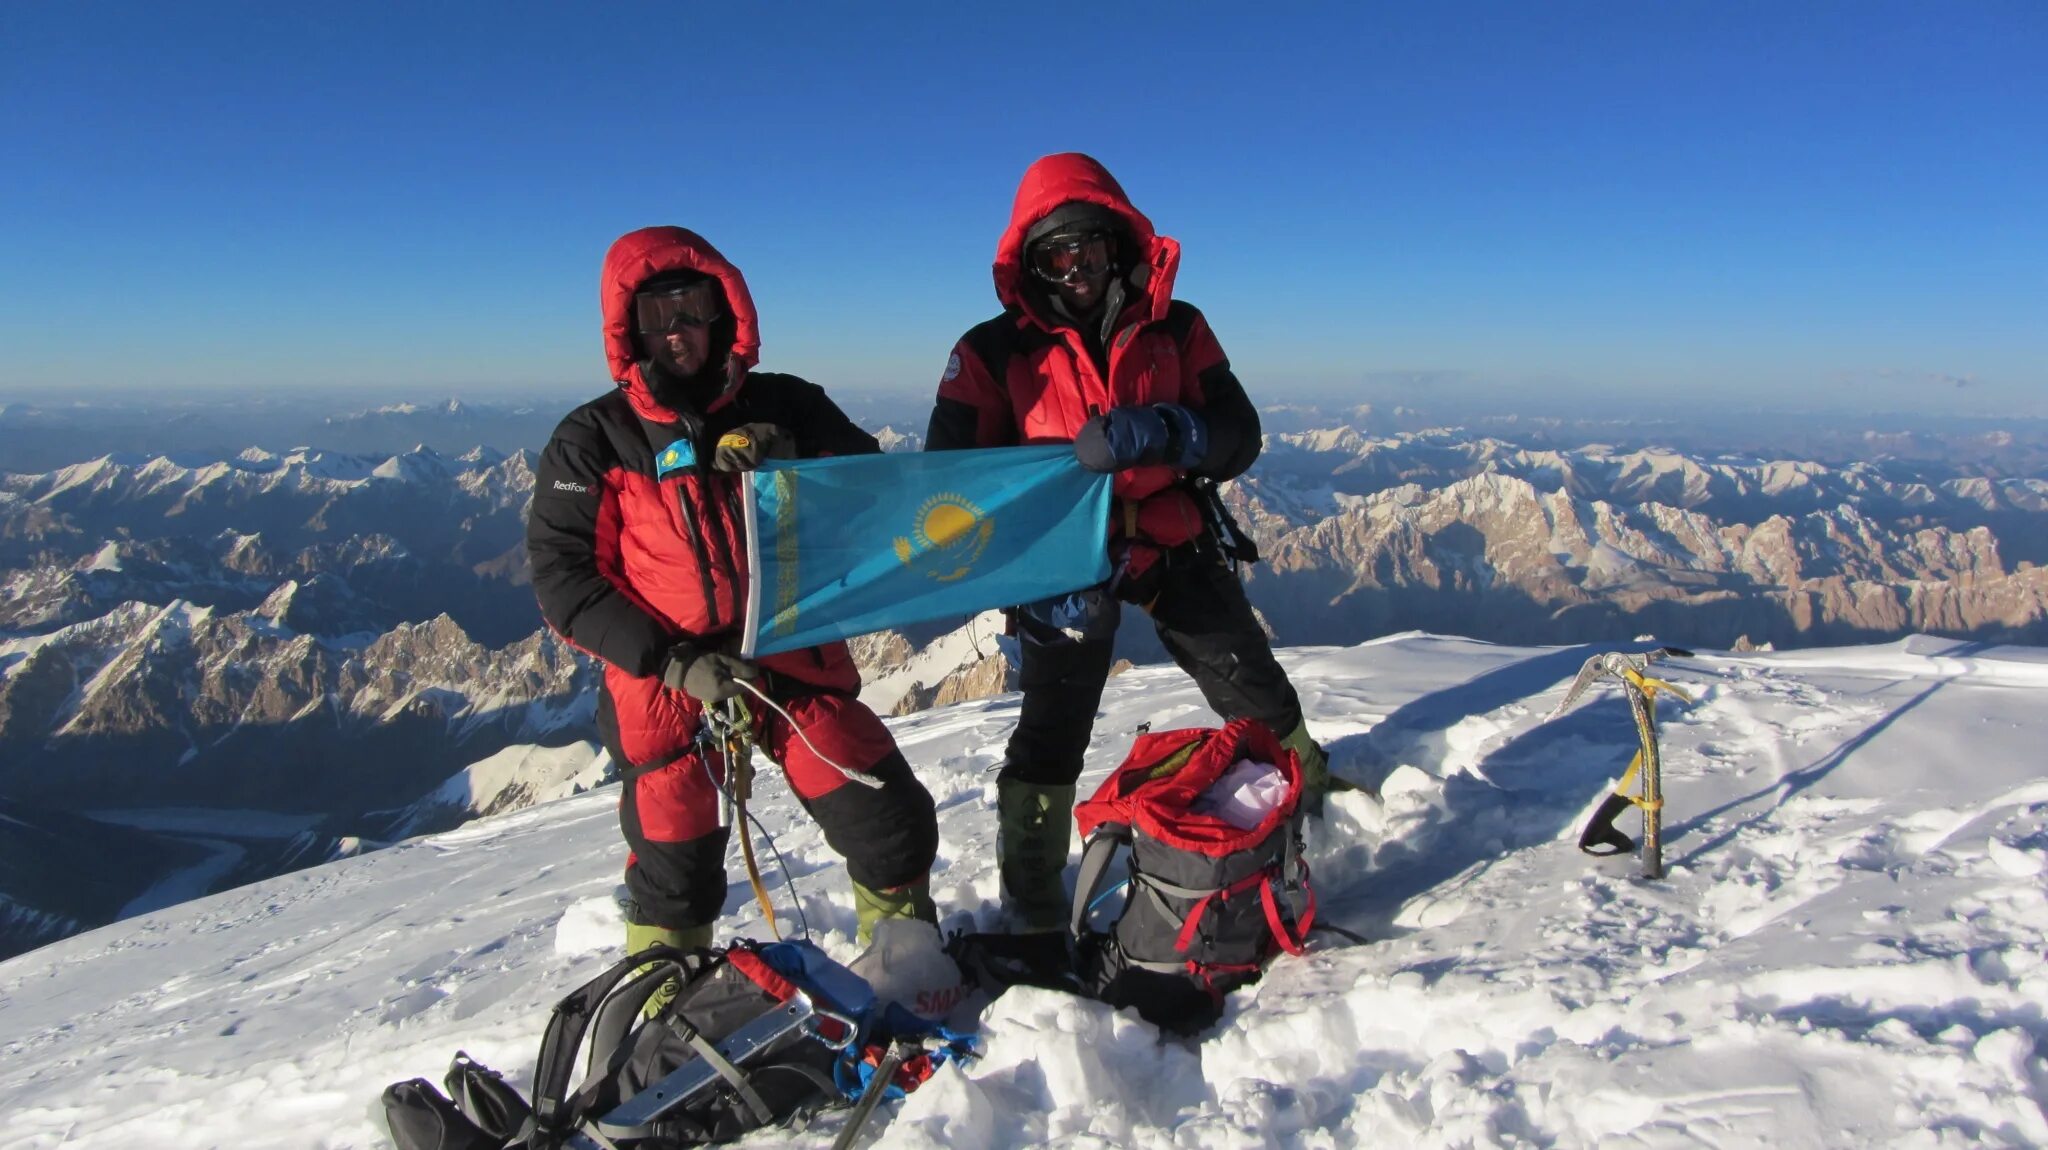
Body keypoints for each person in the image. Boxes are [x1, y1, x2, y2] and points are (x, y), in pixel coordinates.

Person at [925, 153, 1331, 932]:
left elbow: (1238, 435)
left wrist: (1174, 431)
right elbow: (952, 484)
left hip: (1171, 536)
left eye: (1090, 248)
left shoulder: (1177, 325)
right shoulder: (991, 351)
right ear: (1030, 262)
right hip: (1064, 556)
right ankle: (1034, 895)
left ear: (1119, 245)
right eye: (1056, 254)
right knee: (1054, 725)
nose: (1076, 269)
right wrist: (1033, 526)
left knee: (1253, 687)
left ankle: (1312, 809)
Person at [528, 226, 939, 962]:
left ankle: (907, 971)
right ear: (627, 328)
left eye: (693, 308)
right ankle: (662, 1007)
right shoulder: (594, 438)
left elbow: (874, 493)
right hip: (666, 677)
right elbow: (564, 578)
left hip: (789, 651)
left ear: (726, 311)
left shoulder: (789, 403)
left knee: (888, 817)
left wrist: (795, 460)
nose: (678, 332)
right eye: (657, 316)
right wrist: (671, 661)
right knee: (675, 862)